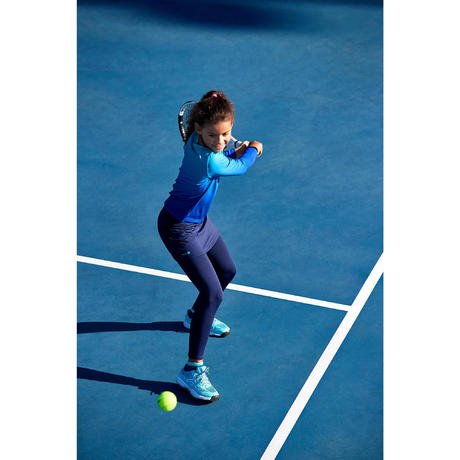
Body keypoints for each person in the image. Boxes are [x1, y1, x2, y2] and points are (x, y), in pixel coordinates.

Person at [157, 90, 263, 402]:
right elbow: (239, 167)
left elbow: (224, 155)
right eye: (213, 135)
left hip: (200, 224)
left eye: (226, 134)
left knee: (227, 271)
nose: (220, 141)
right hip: (179, 229)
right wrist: (253, 149)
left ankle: (195, 316)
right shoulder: (208, 160)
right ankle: (192, 370)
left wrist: (232, 149)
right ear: (198, 130)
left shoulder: (199, 143)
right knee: (213, 293)